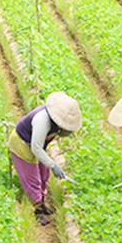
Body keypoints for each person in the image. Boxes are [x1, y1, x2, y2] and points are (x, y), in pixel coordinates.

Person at [7, 91, 81, 226]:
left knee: (43, 173)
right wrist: (54, 165)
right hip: (22, 143)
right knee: (32, 176)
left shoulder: (55, 123)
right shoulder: (43, 120)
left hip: (35, 144)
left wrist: (49, 166)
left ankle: (43, 202)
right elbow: (36, 148)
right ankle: (37, 210)